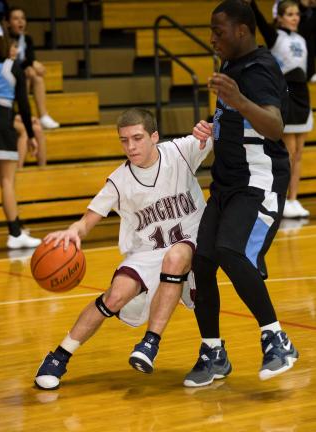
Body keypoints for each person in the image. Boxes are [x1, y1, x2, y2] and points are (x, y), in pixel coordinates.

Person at [34, 107, 213, 390]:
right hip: (147, 251)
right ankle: (59, 356)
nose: (130, 146)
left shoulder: (181, 151)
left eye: (137, 138)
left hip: (188, 242)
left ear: (154, 136)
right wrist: (73, 232)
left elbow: (218, 133)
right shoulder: (119, 180)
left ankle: (150, 343)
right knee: (113, 297)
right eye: (124, 140)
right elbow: (87, 221)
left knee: (175, 257)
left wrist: (209, 129)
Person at [180, 0, 298, 388]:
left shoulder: (260, 67)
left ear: (243, 31)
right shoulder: (231, 66)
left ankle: (276, 338)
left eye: (219, 30)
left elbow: (275, 126)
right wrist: (212, 127)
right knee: (202, 260)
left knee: (231, 249)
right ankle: (213, 351)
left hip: (259, 180)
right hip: (228, 182)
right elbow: (233, 121)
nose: (212, 38)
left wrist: (239, 101)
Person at [248, 0, 313, 218]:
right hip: (286, 95)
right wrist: (253, 6)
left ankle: (294, 199)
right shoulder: (276, 37)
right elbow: (262, 24)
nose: (295, 17)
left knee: (299, 154)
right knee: (288, 153)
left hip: (303, 95)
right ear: (280, 17)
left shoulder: (302, 39)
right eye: (290, 14)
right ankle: (281, 199)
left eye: (297, 14)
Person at [0, 28, 42, 248]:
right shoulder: (12, 67)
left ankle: (17, 230)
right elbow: (24, 106)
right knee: (6, 181)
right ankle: (15, 234)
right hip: (2, 123)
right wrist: (31, 135)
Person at [7, 7, 59, 129]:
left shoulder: (27, 39)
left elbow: (30, 59)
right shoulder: (5, 39)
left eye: (22, 18)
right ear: (8, 23)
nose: (20, 22)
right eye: (15, 19)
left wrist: (31, 64)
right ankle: (23, 113)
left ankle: (43, 115)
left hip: (23, 74)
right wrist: (31, 64)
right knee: (29, 72)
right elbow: (8, 61)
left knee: (36, 76)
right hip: (7, 75)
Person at [9, 39, 46, 168]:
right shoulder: (5, 71)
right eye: (11, 47)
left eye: (15, 47)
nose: (15, 50)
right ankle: (17, 171)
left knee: (37, 129)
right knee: (24, 130)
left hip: (9, 115)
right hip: (4, 116)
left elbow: (19, 104)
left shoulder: (16, 70)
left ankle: (43, 170)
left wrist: (25, 118)